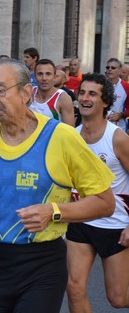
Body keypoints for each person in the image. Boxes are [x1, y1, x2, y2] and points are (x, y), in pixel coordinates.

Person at [0, 58, 116, 313]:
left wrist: (54, 211)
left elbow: (106, 202)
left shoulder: (61, 137)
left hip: (42, 266)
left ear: (26, 93)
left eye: (1, 90)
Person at [66, 73, 129, 312]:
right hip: (80, 220)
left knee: (118, 298)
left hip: (114, 224)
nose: (85, 98)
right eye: (82, 93)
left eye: (92, 94)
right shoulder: (71, 137)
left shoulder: (118, 139)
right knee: (74, 288)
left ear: (105, 102)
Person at [29, 59, 75, 126]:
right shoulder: (28, 94)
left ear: (54, 76)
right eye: (40, 74)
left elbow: (70, 132)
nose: (44, 78)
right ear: (35, 76)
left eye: (48, 74)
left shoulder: (63, 98)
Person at [104, 58, 129, 132]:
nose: (110, 69)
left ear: (120, 71)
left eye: (113, 68)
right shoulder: (101, 85)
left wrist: (121, 115)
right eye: (108, 67)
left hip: (119, 126)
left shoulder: (126, 87)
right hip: (102, 126)